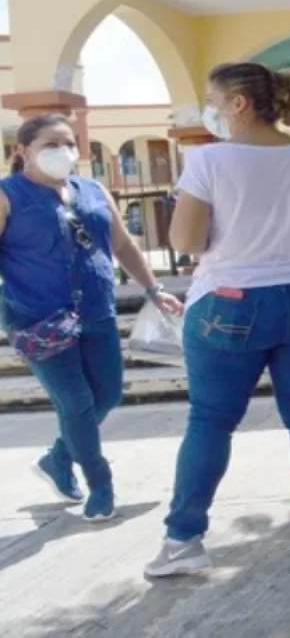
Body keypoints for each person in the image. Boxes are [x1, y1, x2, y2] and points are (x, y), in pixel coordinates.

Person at [144, 62, 290, 577]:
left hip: (229, 301)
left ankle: (184, 541)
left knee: (211, 421)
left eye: (214, 101)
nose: (211, 111)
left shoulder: (210, 161)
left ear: (239, 104)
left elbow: (186, 243)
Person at [0, 114, 183, 521]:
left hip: (97, 309)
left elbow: (123, 245)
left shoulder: (93, 190)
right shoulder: (8, 195)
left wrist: (154, 289)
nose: (63, 151)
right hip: (38, 317)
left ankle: (57, 458)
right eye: (50, 144)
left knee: (109, 394)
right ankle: (100, 484)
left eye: (69, 143)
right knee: (77, 402)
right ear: (23, 151)